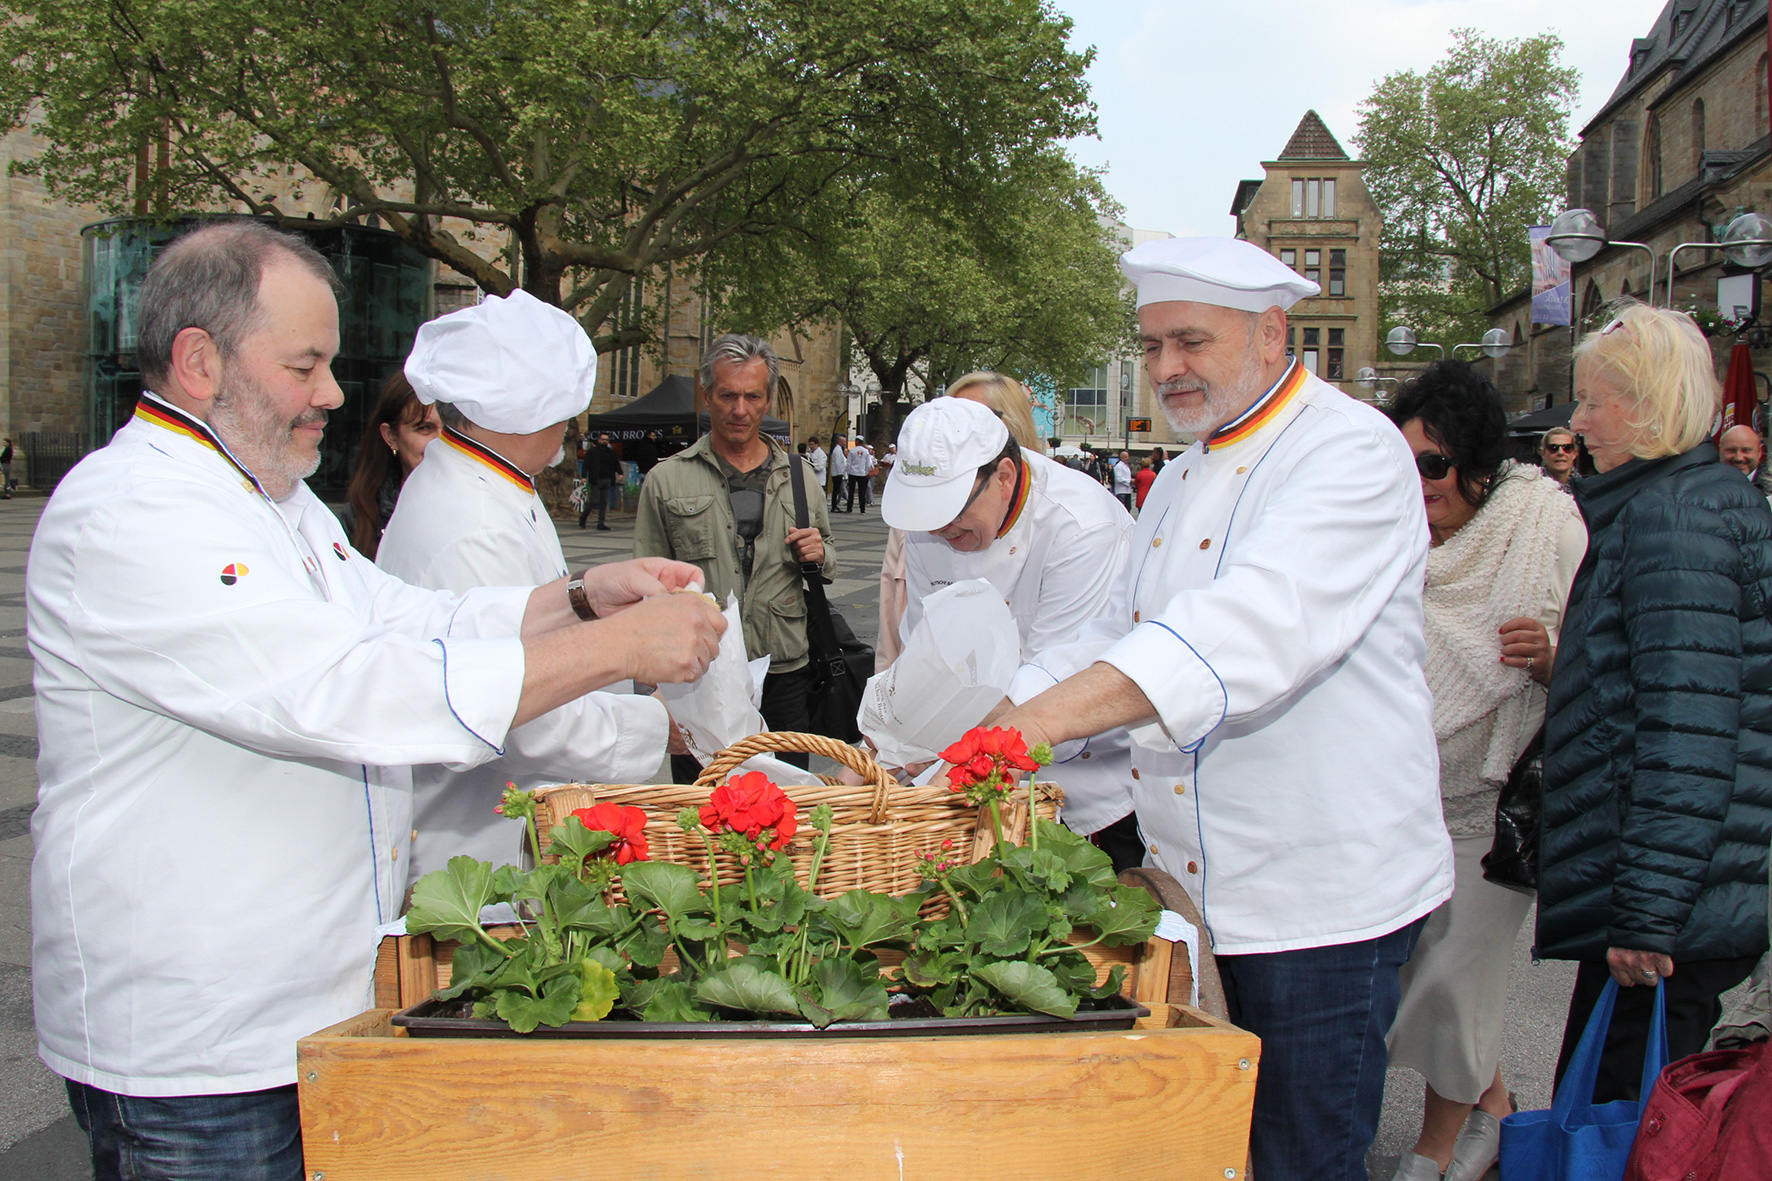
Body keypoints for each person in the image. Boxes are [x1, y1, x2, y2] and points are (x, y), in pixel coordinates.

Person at [26, 222, 725, 1179]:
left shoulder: (275, 499)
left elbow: (402, 617)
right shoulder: (132, 512)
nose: (333, 392)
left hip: (306, 1003)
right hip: (200, 1040)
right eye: (306, 364)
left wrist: (571, 600)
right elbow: (343, 689)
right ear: (199, 361)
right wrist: (612, 651)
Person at [974, 236, 1451, 1179]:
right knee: (1206, 1144)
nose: (1165, 369)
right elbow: (1118, 631)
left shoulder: (1349, 449)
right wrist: (990, 717)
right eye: (1152, 346)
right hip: (1196, 890)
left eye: (1189, 341)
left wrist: (1029, 730)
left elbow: (1242, 633)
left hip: (1319, 905)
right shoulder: (1186, 471)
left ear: (1272, 333)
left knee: (1297, 1157)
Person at [1541, 300, 1772, 1104]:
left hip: (1673, 911)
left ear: (1647, 407)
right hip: (1682, 896)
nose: (1577, 421)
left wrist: (1648, 914)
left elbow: (1691, 732)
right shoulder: (1676, 504)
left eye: (1594, 400)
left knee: (1620, 1123)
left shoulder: (1676, 518)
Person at [377, 290, 677, 877]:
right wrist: (661, 727)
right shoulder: (474, 522)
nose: (569, 427)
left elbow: (532, 617)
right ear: (531, 413)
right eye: (565, 412)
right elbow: (524, 716)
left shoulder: (489, 481)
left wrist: (602, 611)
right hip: (483, 836)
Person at [1383, 362, 1586, 1181]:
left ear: (1476, 460)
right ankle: (1495, 1110)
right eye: (1406, 465)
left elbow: (1606, 663)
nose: (1419, 483)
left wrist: (1550, 662)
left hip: (1493, 800)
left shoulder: (1544, 523)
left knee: (1453, 983)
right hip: (1399, 794)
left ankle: (1435, 1152)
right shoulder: (1389, 533)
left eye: (1433, 463)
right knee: (1420, 979)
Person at [883, 395, 1139, 867]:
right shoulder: (930, 531)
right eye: (927, 514)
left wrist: (945, 755)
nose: (940, 529)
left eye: (952, 510)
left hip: (1095, 780)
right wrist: (889, 741)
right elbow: (925, 650)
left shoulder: (1081, 526)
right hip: (979, 767)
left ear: (1003, 476)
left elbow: (1056, 684)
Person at [635, 334, 836, 773]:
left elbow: (828, 553)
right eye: (727, 395)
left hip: (784, 671)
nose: (739, 409)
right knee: (702, 814)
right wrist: (650, 678)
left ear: (768, 401)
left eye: (752, 396)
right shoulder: (667, 480)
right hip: (701, 677)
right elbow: (644, 586)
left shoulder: (801, 477)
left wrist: (819, 553)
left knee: (789, 807)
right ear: (706, 396)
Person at [342, 372, 439, 558]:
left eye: (450, 430)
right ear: (391, 436)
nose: (440, 442)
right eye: (424, 428)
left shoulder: (485, 506)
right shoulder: (360, 519)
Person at [1718, 423, 1772, 500]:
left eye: (1746, 451)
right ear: (1720, 451)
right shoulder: (1707, 482)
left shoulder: (1770, 487)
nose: (1739, 458)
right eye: (1731, 450)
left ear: (1760, 451)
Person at [580, 431, 620, 529]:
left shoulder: (610, 452)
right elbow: (586, 464)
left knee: (604, 502)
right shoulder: (592, 451)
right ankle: (583, 517)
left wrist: (620, 472)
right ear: (599, 440)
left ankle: (600, 523)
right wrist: (584, 476)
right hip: (596, 479)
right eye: (602, 439)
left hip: (607, 479)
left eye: (606, 440)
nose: (604, 441)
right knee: (594, 500)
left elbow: (616, 463)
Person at [846, 436, 874, 513]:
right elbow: (868, 463)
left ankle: (849, 509)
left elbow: (848, 463)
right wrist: (865, 472)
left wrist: (849, 471)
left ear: (856, 442)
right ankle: (862, 509)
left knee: (851, 492)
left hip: (853, 473)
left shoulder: (852, 451)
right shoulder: (865, 451)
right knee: (862, 492)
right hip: (862, 473)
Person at [829, 434, 849, 512]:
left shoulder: (839, 449)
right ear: (839, 441)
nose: (845, 443)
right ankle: (834, 506)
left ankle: (835, 505)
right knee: (836, 490)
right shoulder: (837, 450)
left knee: (838, 490)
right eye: (843, 441)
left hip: (839, 472)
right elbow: (838, 463)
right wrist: (841, 472)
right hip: (837, 473)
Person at [807, 434, 829, 500]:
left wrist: (811, 465)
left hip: (819, 480)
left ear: (817, 444)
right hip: (812, 479)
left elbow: (820, 467)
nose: (811, 446)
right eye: (809, 445)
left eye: (812, 444)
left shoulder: (822, 455)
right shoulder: (810, 453)